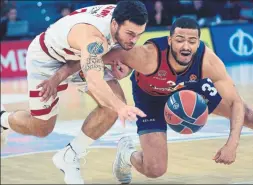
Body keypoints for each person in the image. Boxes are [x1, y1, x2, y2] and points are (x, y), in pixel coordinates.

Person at [32, 17, 253, 184]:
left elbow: (237, 102)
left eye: (192, 41)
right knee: (155, 170)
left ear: (198, 42)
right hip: (151, 96)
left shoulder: (207, 60)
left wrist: (232, 144)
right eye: (179, 40)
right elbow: (93, 56)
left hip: (191, 88)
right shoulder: (146, 56)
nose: (186, 45)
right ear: (169, 41)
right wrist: (57, 77)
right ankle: (126, 154)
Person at [0, 1, 148, 184]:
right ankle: (2, 119)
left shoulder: (121, 14)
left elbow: (97, 57)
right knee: (41, 127)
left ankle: (69, 156)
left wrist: (125, 69)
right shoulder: (95, 38)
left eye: (139, 35)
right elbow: (94, 80)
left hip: (78, 57)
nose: (134, 40)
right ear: (115, 24)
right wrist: (121, 107)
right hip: (48, 57)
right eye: (131, 34)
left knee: (111, 104)